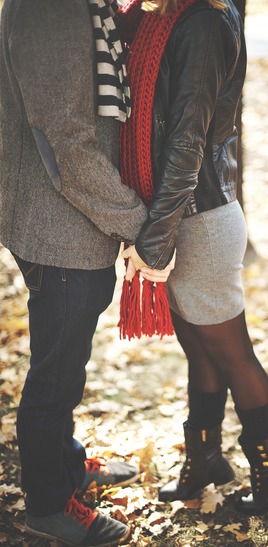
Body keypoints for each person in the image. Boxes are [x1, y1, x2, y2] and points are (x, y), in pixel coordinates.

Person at [118, 0, 268, 516]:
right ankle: (204, 463)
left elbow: (187, 138)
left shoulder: (203, 21)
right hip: (180, 213)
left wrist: (157, 235)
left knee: (231, 353)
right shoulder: (170, 18)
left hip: (198, 219)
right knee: (198, 351)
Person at [0, 0, 174, 545]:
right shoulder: (51, 8)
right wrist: (136, 222)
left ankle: (69, 465)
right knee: (55, 377)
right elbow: (65, 142)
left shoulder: (82, 7)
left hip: (73, 220)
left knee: (66, 366)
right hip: (59, 227)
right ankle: (49, 504)